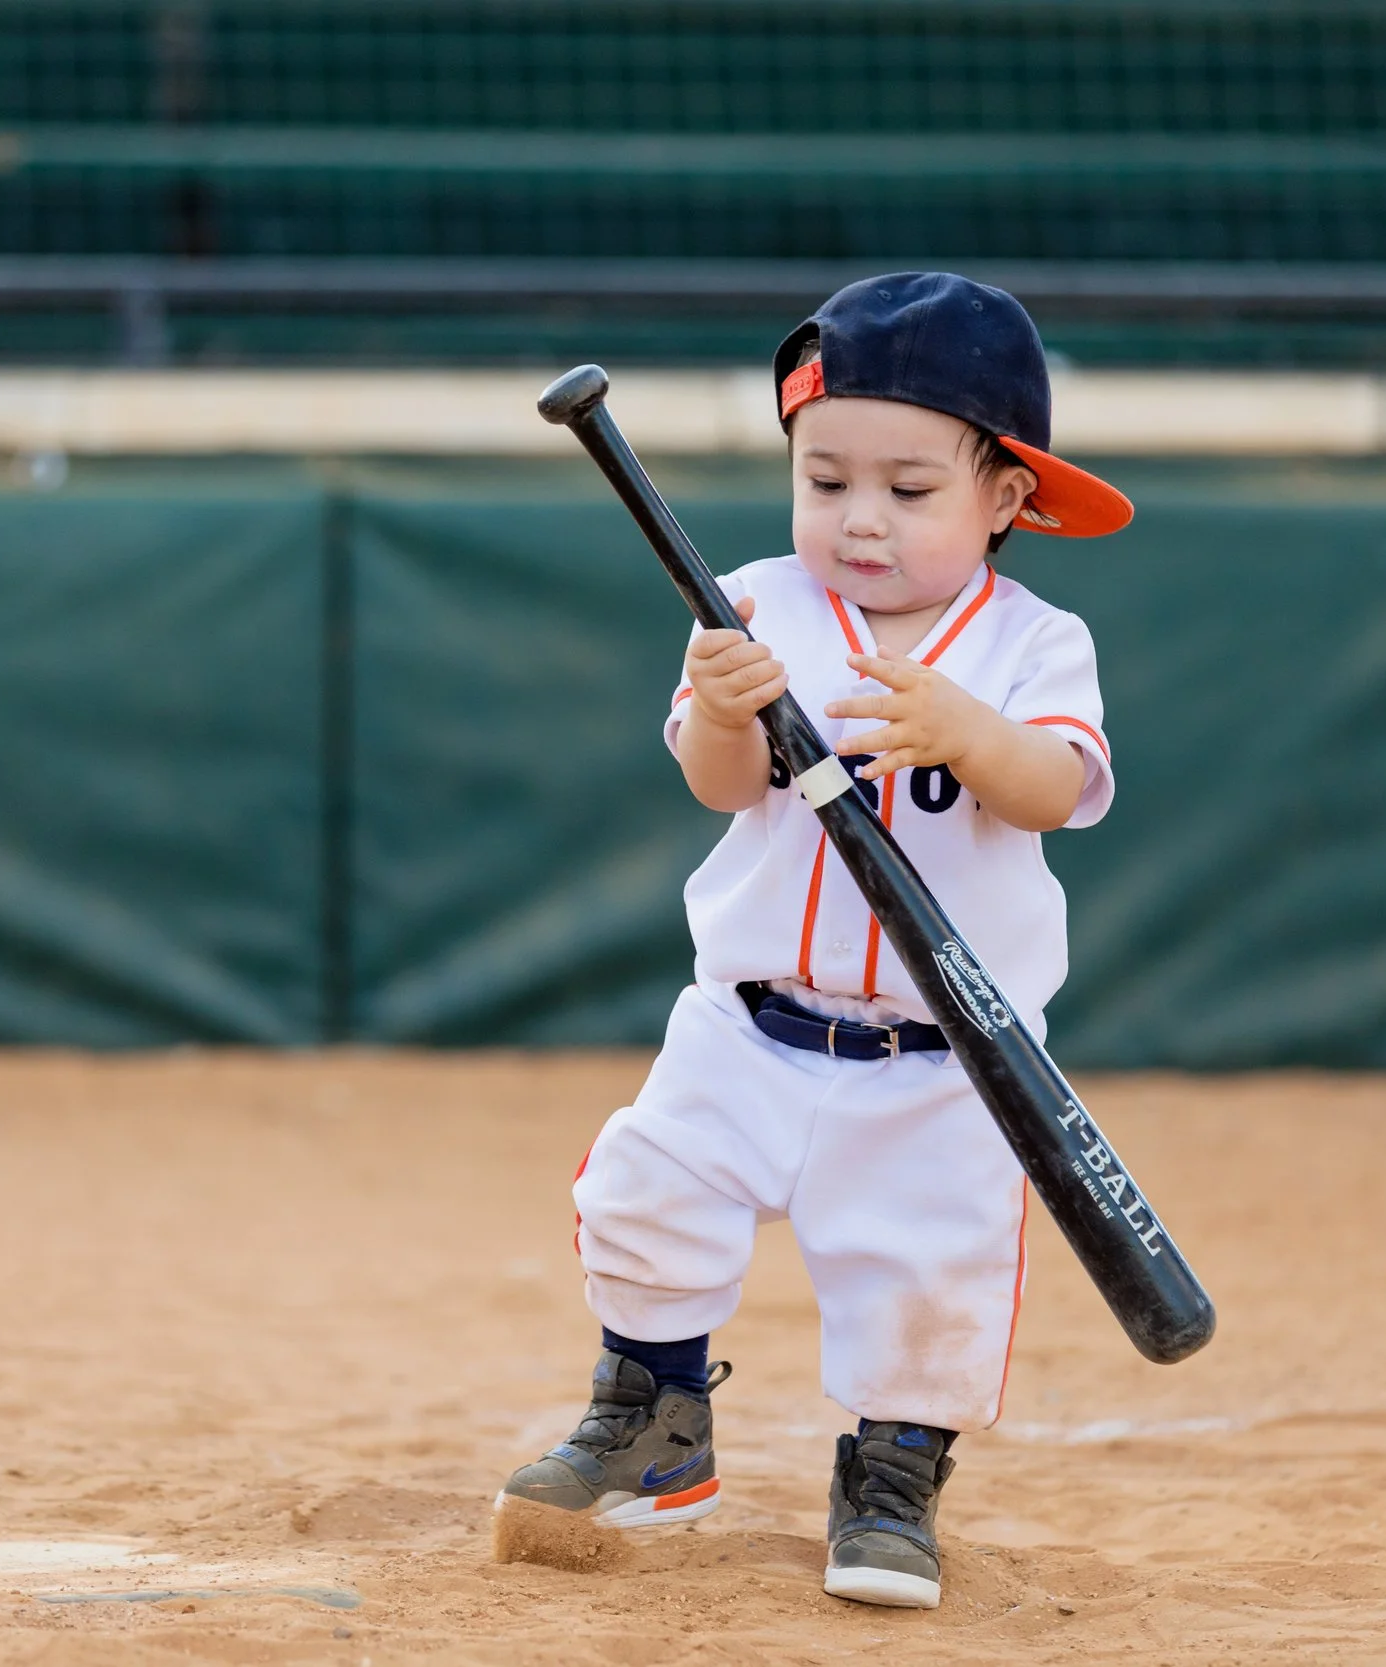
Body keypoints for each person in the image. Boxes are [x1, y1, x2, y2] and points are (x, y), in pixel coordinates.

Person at [496, 272, 1137, 1610]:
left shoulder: (1031, 644)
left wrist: (973, 732)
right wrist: (728, 710)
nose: (859, 520)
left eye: (909, 492)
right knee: (647, 1193)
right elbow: (719, 785)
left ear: (1007, 497)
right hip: (745, 1019)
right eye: (825, 478)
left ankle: (894, 1474)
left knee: (924, 1272)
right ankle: (657, 1418)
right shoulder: (750, 605)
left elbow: (1054, 789)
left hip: (940, 1052)